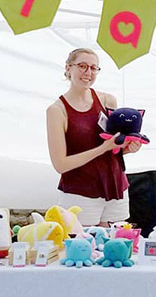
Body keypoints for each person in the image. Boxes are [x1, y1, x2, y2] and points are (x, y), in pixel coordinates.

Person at [46, 48, 141, 226]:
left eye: (93, 68)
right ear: (68, 68)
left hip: (115, 188)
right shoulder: (57, 111)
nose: (88, 72)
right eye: (82, 66)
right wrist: (102, 148)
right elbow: (60, 164)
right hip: (80, 193)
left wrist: (126, 149)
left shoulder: (108, 101)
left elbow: (112, 149)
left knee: (117, 248)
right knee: (81, 250)